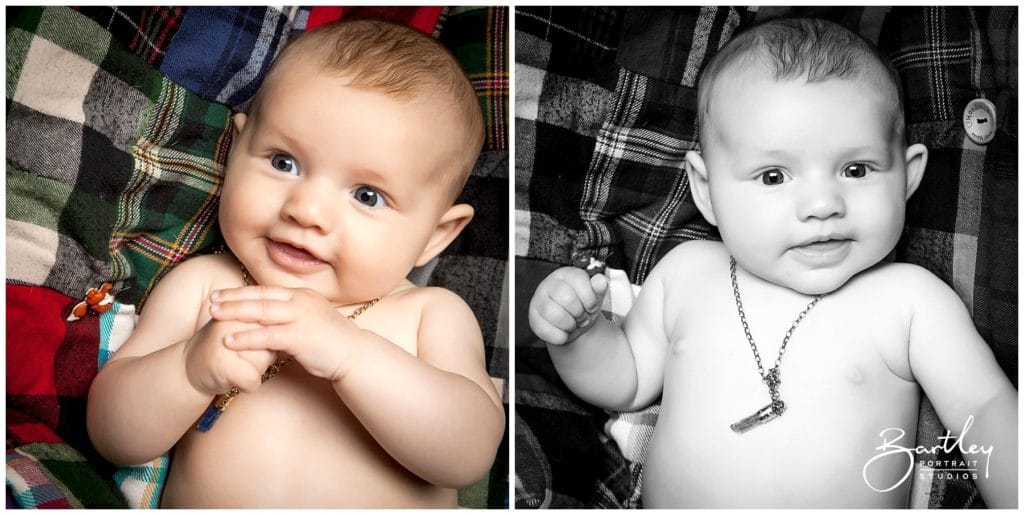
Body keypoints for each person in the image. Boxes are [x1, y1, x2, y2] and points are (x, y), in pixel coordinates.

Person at [528, 18, 1016, 508]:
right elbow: (626, 381)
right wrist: (579, 337)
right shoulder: (686, 273)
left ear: (907, 178)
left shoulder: (911, 301)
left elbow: (986, 407)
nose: (822, 204)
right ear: (707, 190)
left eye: (855, 169)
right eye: (773, 176)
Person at [87, 19, 505, 508]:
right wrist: (188, 369)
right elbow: (113, 437)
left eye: (367, 195)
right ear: (236, 149)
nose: (306, 211)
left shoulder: (431, 314)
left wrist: (350, 353)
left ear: (434, 236)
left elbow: (469, 454)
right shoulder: (205, 287)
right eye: (283, 162)